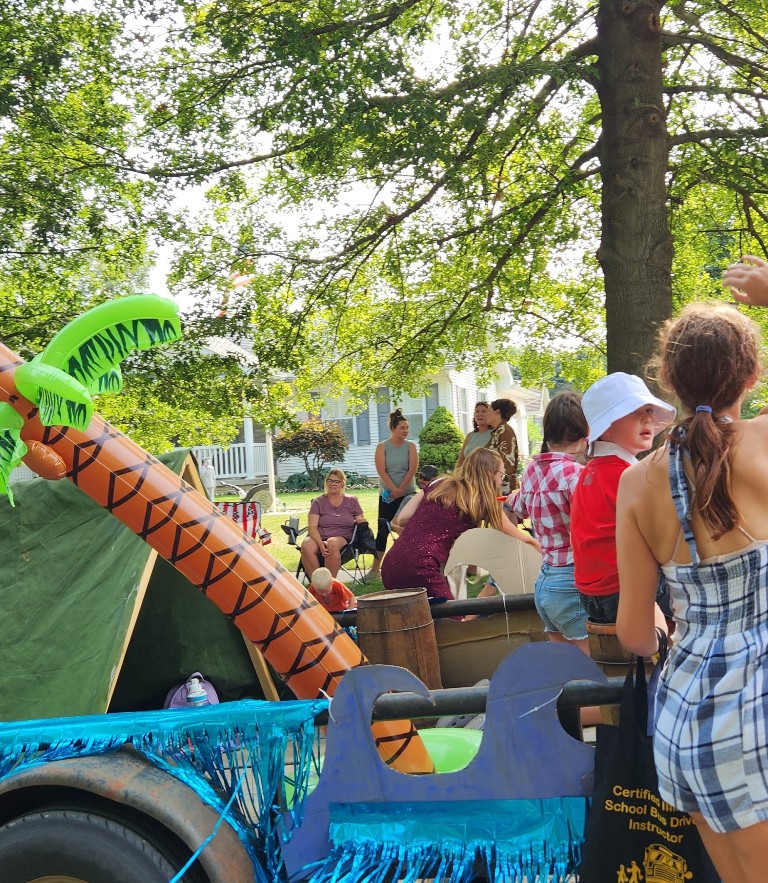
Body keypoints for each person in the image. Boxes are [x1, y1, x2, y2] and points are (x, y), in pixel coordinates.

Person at [615, 301, 768, 881]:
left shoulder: (636, 480)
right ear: (752, 376)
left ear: (667, 379)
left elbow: (635, 634)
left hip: (686, 721)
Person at [570, 372, 676, 625]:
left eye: (649, 411)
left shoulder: (589, 472)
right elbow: (663, 536)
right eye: (634, 411)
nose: (648, 418)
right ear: (606, 428)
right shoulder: (628, 475)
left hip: (592, 594)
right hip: (626, 590)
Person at [381, 447, 540, 602]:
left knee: (416, 619)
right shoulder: (483, 501)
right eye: (501, 475)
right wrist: (546, 551)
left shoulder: (439, 483)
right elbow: (522, 540)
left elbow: (402, 519)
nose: (501, 481)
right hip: (422, 567)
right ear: (491, 474)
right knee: (453, 619)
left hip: (391, 564)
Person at [509, 392, 592, 651]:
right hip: (572, 582)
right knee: (590, 665)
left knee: (562, 663)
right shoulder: (577, 475)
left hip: (545, 582)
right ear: (586, 432)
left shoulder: (531, 471)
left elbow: (516, 508)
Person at [367, 408, 418, 578]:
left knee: (407, 530)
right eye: (402, 427)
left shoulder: (411, 446)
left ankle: (409, 566)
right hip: (387, 496)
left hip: (407, 494)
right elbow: (381, 471)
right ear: (393, 428)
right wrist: (393, 490)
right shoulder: (382, 447)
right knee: (383, 529)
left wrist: (401, 489)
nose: (405, 430)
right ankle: (375, 569)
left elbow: (412, 470)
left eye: (407, 428)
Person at [300, 468, 368, 580]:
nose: (333, 484)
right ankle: (317, 584)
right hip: (319, 537)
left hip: (343, 537)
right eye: (330, 480)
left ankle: (330, 584)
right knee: (307, 544)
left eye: (337, 481)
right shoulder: (318, 502)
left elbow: (360, 518)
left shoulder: (352, 501)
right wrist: (320, 543)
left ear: (342, 484)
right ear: (326, 482)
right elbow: (312, 527)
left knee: (331, 543)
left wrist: (360, 520)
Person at [390, 464, 439, 534]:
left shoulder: (440, 500)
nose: (421, 480)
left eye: (426, 478)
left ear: (435, 481)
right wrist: (398, 528)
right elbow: (393, 523)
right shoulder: (409, 499)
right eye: (420, 477)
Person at [485, 398, 519, 491]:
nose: (486, 414)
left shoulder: (505, 431)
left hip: (502, 488)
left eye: (489, 411)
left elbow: (508, 464)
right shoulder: (498, 431)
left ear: (497, 412)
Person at [456, 402, 492, 467]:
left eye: (483, 411)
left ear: (490, 414)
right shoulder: (470, 436)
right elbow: (461, 460)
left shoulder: (496, 434)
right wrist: (456, 472)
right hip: (467, 472)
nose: (480, 414)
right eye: (477, 411)